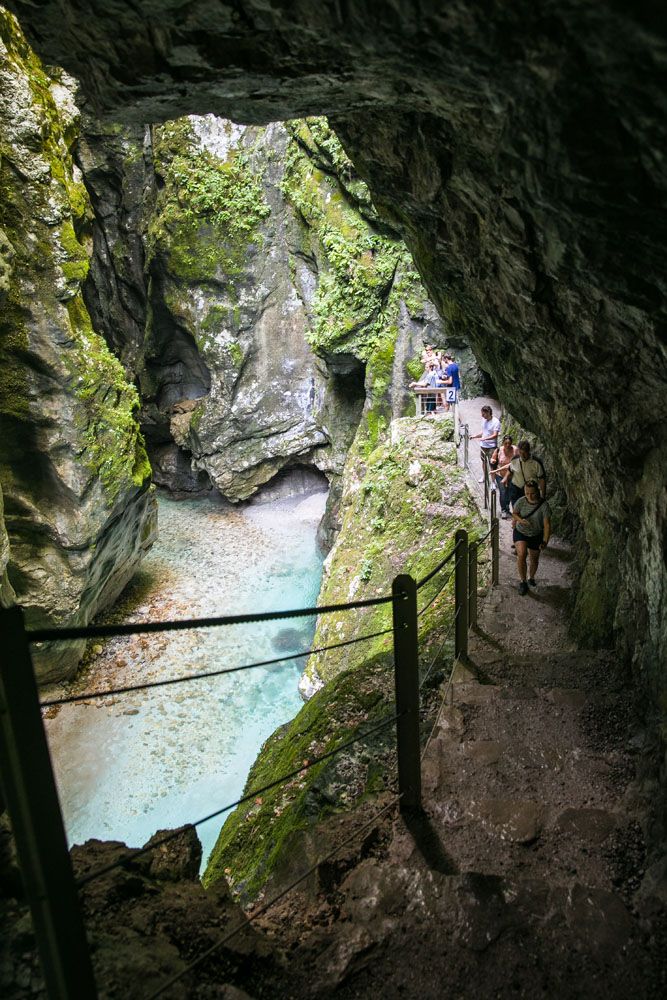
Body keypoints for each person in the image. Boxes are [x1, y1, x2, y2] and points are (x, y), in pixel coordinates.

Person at [512, 479, 551, 594]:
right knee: (522, 554)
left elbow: (547, 525)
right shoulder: (521, 501)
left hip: (536, 534)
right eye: (527, 493)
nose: (530, 496)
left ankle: (531, 578)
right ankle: (523, 581)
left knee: (534, 559)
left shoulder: (544, 506)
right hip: (521, 532)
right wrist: (520, 521)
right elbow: (514, 513)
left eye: (532, 493)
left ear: (537, 492)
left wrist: (545, 540)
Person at [500, 440, 546, 509]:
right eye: (520, 453)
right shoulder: (515, 460)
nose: (522, 455)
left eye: (525, 453)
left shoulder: (536, 462)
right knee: (516, 509)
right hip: (516, 488)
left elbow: (542, 479)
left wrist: (543, 495)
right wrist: (505, 478)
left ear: (529, 451)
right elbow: (510, 470)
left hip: (530, 490)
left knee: (529, 509)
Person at [470, 405, 501, 483]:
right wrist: (475, 436)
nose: (482, 415)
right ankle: (484, 476)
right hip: (483, 445)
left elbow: (495, 435)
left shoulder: (496, 421)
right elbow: (484, 432)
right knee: (483, 461)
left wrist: (485, 438)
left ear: (488, 412)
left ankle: (493, 481)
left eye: (483, 414)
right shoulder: (484, 420)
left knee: (492, 464)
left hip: (491, 446)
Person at [491, 435, 518, 518]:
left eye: (509, 443)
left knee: (509, 493)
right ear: (503, 443)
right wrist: (492, 481)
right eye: (506, 443)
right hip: (500, 475)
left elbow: (513, 464)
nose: (507, 445)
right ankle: (503, 510)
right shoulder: (499, 450)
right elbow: (493, 462)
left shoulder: (515, 450)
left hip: (511, 476)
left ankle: (507, 508)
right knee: (503, 492)